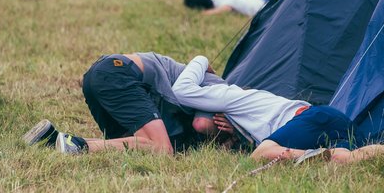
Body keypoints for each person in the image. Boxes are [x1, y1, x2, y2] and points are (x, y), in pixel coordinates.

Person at [172, 55, 384, 163]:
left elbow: (181, 90)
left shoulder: (228, 95)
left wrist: (200, 60)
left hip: (308, 121)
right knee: (345, 159)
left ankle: (309, 155)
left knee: (260, 156)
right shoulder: (243, 119)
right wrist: (233, 137)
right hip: (327, 118)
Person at [22, 52, 231, 155]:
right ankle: (79, 145)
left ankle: (52, 141)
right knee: (161, 149)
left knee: (133, 145)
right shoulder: (222, 93)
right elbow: (202, 124)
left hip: (102, 73)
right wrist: (227, 133)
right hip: (120, 74)